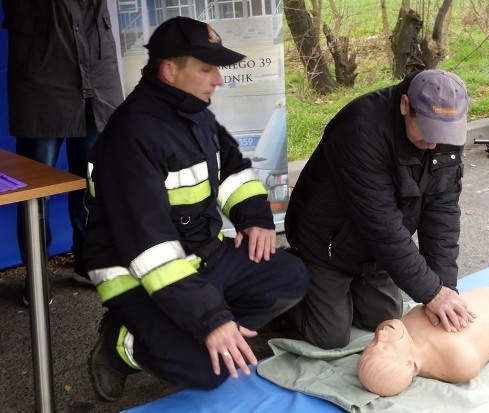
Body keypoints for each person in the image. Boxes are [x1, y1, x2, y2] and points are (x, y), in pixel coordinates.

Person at [83, 16, 309, 402]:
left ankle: (195, 328)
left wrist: (254, 219)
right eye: (206, 68)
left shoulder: (194, 114)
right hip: (137, 274)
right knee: (207, 370)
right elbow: (149, 249)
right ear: (170, 70)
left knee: (290, 277)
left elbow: (233, 171)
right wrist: (211, 320)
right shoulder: (131, 135)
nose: (218, 79)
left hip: (201, 256)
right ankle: (122, 345)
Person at [284, 69, 475, 350]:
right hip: (326, 244)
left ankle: (349, 290)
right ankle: (285, 274)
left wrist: (445, 287)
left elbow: (442, 212)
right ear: (405, 106)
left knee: (385, 321)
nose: (434, 143)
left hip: (377, 250)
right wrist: (431, 292)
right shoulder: (360, 127)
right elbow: (379, 222)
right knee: (330, 337)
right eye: (427, 131)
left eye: (443, 134)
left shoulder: (445, 133)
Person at [2, 0, 125, 303]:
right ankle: (36, 272)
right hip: (43, 82)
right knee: (35, 191)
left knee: (92, 181)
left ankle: (89, 262)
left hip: (97, 79)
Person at [357, 287, 489, 396]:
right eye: (386, 348)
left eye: (372, 345)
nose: (381, 336)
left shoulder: (400, 330)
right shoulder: (457, 361)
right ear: (408, 363)